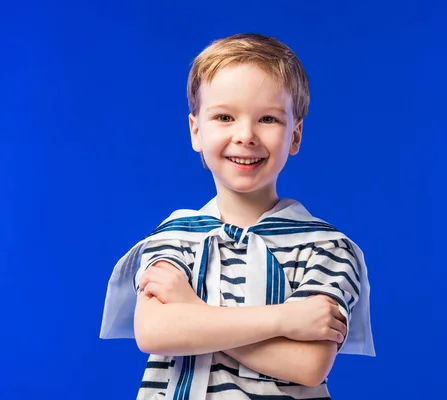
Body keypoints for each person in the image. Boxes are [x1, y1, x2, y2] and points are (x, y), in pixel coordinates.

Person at [100, 33, 375, 400]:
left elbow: (308, 365)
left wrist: (193, 313)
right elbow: (155, 331)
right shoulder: (174, 236)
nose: (245, 135)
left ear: (295, 136)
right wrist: (283, 320)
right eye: (225, 116)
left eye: (268, 119)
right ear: (196, 131)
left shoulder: (327, 248)